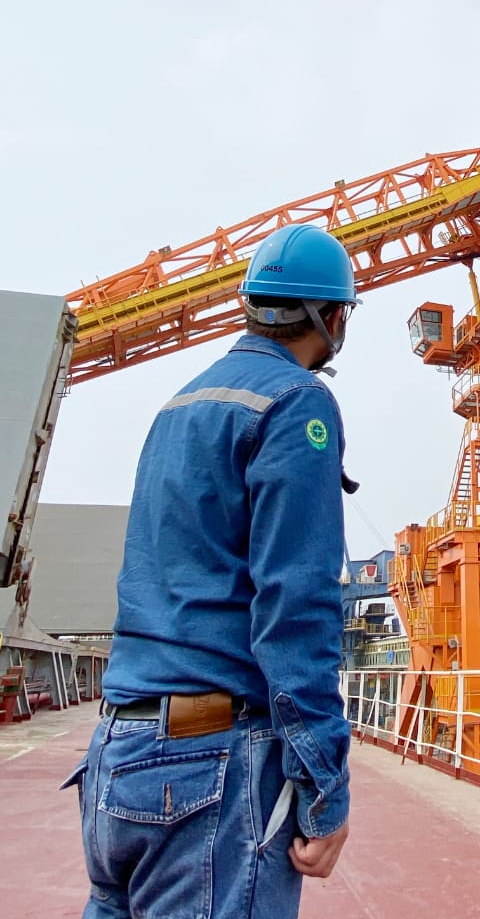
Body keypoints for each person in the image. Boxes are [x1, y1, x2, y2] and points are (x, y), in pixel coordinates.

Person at [63, 223, 360, 918]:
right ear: (334, 317)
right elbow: (298, 607)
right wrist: (325, 788)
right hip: (207, 773)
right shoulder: (297, 402)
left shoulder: (179, 408)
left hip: (116, 755)